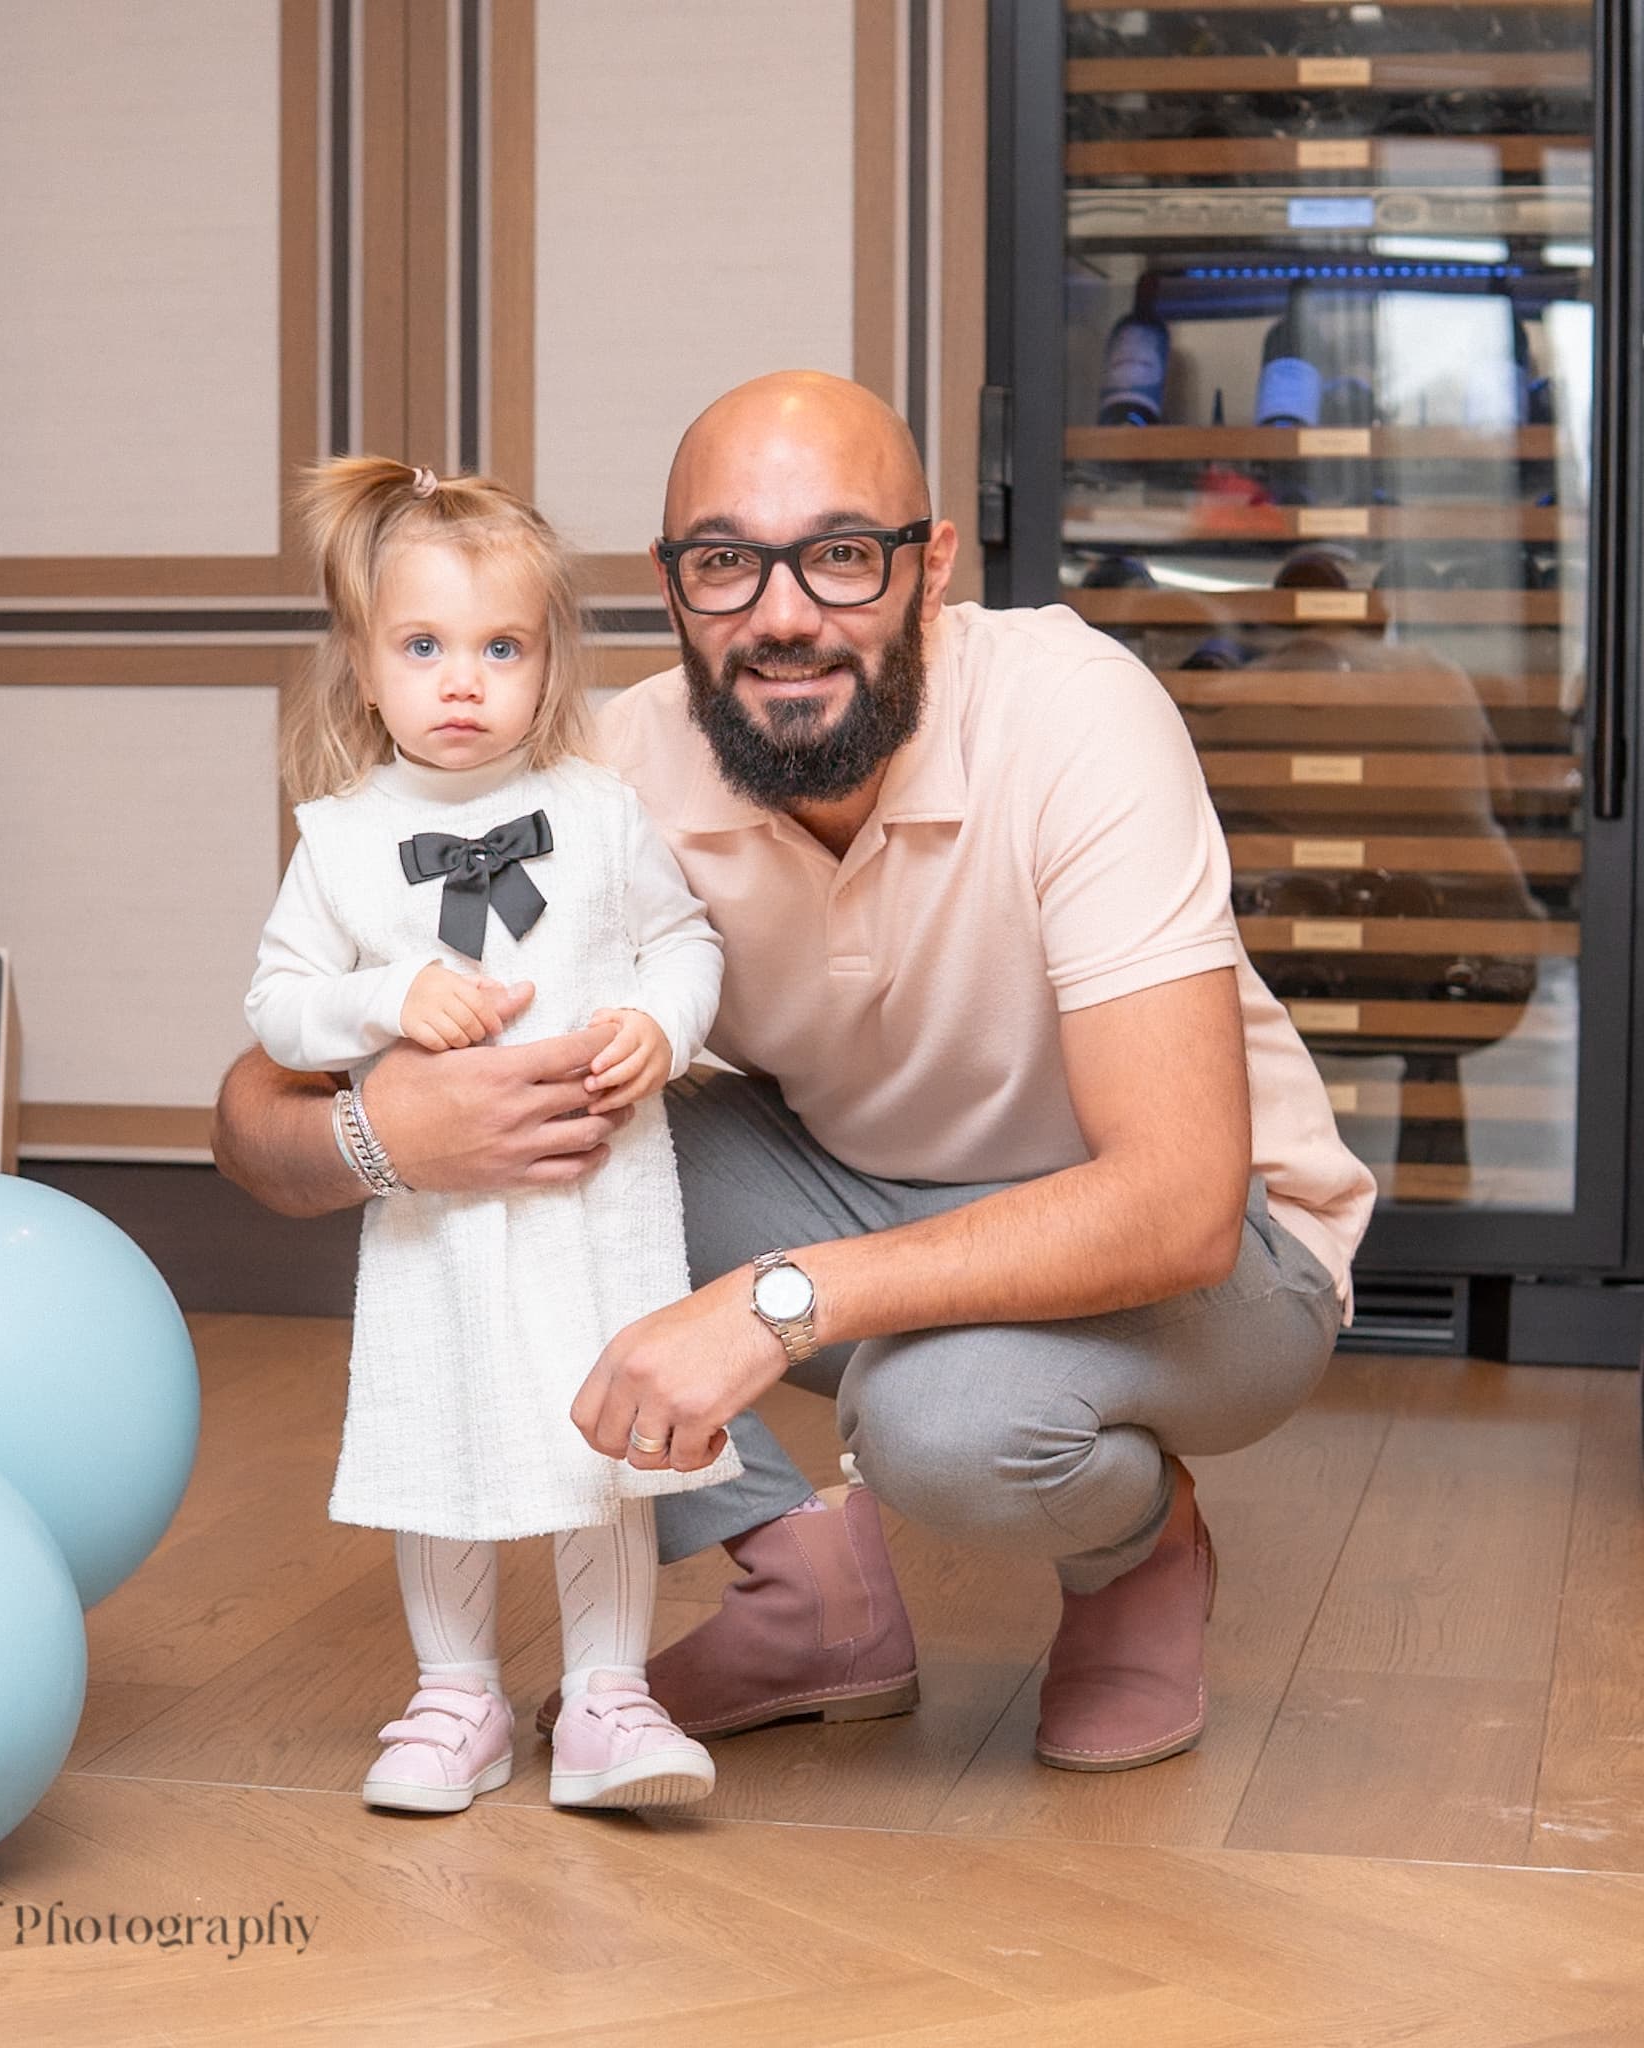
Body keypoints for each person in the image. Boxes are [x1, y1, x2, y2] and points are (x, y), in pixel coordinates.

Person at [217, 374, 1378, 1778]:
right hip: (852, 1192)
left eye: (840, 554)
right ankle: (810, 1585)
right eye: (726, 563)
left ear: (932, 566)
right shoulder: (609, 773)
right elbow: (252, 1116)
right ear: (672, 590)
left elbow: (1180, 1200)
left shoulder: (1074, 714)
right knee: (575, 1148)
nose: (782, 616)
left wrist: (777, 1307)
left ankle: (1136, 1548)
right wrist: (394, 1128)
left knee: (944, 1420)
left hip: (1214, 1264)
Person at [242, 454, 744, 1816]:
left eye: (499, 647)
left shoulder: (597, 812)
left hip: (597, 1202)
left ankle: (606, 1697)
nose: (462, 682)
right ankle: (454, 1692)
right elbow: (279, 1008)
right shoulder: (342, 842)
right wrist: (383, 997)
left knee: (607, 1446)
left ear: (546, 665)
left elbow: (682, 939)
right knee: (439, 1432)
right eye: (423, 646)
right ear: (362, 666)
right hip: (443, 1221)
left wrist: (661, 1021)